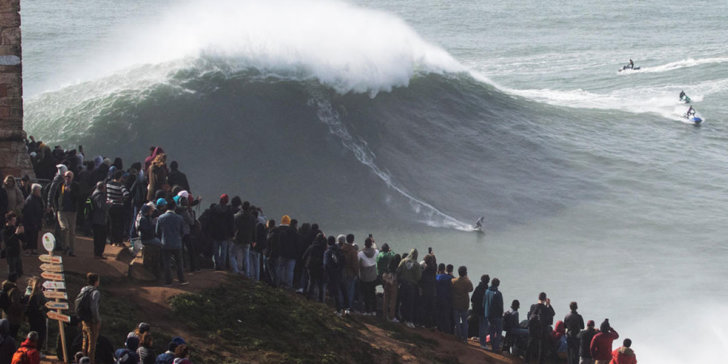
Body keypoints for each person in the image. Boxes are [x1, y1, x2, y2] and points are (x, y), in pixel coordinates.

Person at [156, 200, 187, 286]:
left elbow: (157, 231)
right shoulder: (179, 218)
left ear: (166, 207)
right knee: (179, 263)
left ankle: (168, 281)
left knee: (167, 263)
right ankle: (182, 280)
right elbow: (183, 232)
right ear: (175, 207)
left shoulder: (161, 218)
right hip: (177, 243)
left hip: (165, 243)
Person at [56, 171, 80, 256]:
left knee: (72, 232)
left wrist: (71, 192)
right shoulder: (60, 185)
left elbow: (79, 197)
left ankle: (72, 251)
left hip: (72, 211)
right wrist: (55, 207)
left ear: (72, 178)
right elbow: (55, 196)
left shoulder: (75, 186)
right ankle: (65, 247)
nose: (67, 178)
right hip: (62, 210)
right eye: (66, 176)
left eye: (69, 177)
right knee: (64, 228)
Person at [527, 292, 556, 364]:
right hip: (542, 331)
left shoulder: (533, 306)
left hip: (533, 330)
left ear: (538, 298)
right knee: (542, 349)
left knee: (529, 346)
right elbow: (553, 313)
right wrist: (548, 304)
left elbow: (529, 316)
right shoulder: (545, 308)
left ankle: (526, 361)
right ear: (545, 299)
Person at [79, 273, 101, 363]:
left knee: (84, 341)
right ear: (96, 282)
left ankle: (82, 361)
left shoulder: (83, 289)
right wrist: (97, 320)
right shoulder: (96, 292)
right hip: (92, 321)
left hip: (84, 319)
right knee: (92, 345)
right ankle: (90, 361)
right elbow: (94, 307)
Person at [396, 249, 422, 328]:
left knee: (402, 302)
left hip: (403, 285)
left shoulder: (403, 261)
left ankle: (402, 318)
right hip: (411, 286)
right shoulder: (417, 264)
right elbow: (418, 277)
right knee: (410, 303)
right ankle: (409, 320)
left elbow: (398, 271)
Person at [106, 170, 129, 247]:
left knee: (111, 224)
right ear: (120, 177)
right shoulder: (121, 185)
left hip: (109, 206)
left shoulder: (108, 184)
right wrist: (121, 199)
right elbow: (126, 195)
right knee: (119, 225)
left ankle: (112, 241)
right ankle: (118, 241)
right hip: (118, 207)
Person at [232, 202, 256, 276]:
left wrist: (233, 236)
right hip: (248, 239)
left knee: (238, 255)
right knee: (246, 257)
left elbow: (234, 228)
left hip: (239, 238)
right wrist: (254, 240)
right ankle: (247, 273)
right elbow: (254, 230)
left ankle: (239, 270)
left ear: (242, 207)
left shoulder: (237, 216)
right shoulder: (252, 218)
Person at [23, 278, 46, 352]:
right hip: (38, 318)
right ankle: (36, 350)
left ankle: (31, 349)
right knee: (40, 334)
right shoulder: (37, 294)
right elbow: (44, 303)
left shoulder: (28, 293)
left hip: (32, 318)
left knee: (33, 334)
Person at [301, 233, 326, 302]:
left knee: (311, 282)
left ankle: (309, 297)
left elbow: (304, 256)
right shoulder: (323, 248)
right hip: (320, 267)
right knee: (320, 284)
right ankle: (321, 299)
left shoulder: (311, 246)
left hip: (310, 266)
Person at [451, 266, 473, 342]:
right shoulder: (467, 281)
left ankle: (458, 336)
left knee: (457, 322)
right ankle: (465, 338)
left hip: (455, 303)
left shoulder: (453, 281)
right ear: (465, 273)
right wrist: (467, 278)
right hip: (464, 304)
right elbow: (471, 289)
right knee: (464, 322)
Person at [357, 237, 378, 316]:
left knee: (366, 294)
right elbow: (377, 249)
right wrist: (374, 243)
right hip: (373, 276)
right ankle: (374, 310)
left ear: (364, 244)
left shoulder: (360, 253)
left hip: (364, 277)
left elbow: (358, 264)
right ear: (371, 244)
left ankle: (367, 311)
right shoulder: (376, 252)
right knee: (373, 293)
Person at [323, 236, 344, 315]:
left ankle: (335, 309)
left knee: (332, 292)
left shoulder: (328, 252)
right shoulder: (339, 250)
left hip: (330, 274)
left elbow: (325, 264)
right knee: (338, 291)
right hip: (339, 273)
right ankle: (340, 309)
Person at [21, 184, 43, 256]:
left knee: (34, 235)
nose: (40, 192)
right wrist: (34, 222)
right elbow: (29, 213)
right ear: (35, 191)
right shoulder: (30, 199)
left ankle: (33, 249)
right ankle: (29, 250)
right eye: (39, 191)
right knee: (30, 235)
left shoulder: (38, 198)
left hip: (35, 221)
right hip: (30, 222)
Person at [89, 182, 109, 259]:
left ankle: (97, 254)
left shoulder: (94, 194)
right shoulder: (100, 196)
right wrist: (109, 204)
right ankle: (98, 254)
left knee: (97, 238)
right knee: (100, 238)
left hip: (96, 219)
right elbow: (102, 207)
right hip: (99, 220)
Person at [484, 277, 504, 352]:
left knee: (491, 330)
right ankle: (495, 348)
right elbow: (500, 306)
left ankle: (492, 345)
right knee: (499, 331)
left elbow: (484, 303)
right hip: (496, 316)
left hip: (488, 315)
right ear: (498, 285)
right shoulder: (498, 294)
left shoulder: (487, 291)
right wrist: (501, 315)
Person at [2, 213, 23, 279]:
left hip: (17, 252)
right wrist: (16, 234)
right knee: (12, 273)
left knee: (19, 272)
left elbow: (23, 239)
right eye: (13, 220)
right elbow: (8, 242)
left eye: (15, 220)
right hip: (10, 253)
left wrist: (22, 232)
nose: (15, 222)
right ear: (8, 220)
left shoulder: (14, 228)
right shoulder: (4, 231)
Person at [470, 274, 489, 349]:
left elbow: (472, 299)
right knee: (484, 327)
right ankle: (483, 343)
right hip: (484, 311)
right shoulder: (487, 290)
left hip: (477, 310)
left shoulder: (478, 288)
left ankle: (481, 341)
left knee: (481, 326)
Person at [435, 264, 453, 333]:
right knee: (446, 316)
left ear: (438, 269)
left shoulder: (436, 277)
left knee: (438, 315)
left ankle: (439, 329)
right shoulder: (449, 278)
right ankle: (447, 331)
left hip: (438, 298)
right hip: (447, 299)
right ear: (444, 269)